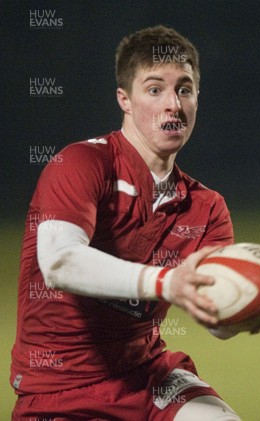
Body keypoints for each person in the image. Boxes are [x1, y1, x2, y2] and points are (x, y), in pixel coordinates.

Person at [11, 25, 242, 420]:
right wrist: (167, 281)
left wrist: (250, 304)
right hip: (60, 389)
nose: (173, 104)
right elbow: (60, 262)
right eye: (155, 90)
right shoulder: (81, 164)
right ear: (125, 99)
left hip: (148, 376)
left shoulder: (206, 208)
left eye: (184, 89)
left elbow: (218, 321)